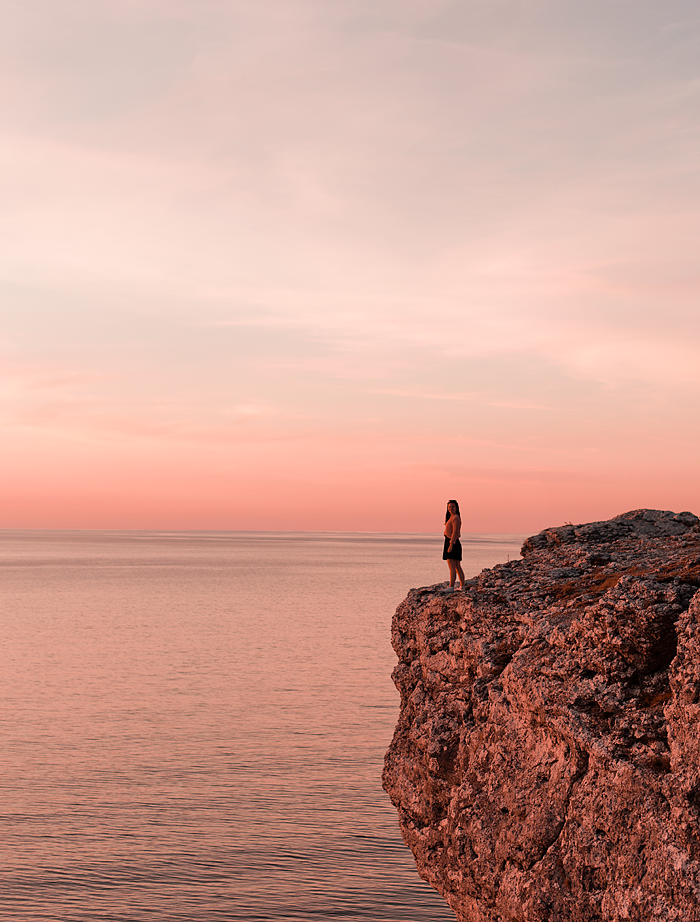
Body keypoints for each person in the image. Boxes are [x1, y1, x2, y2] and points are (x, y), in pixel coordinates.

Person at [443, 499, 465, 590]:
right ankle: (462, 586)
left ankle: (451, 586)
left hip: (452, 542)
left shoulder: (455, 518)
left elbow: (455, 532)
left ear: (456, 508)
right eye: (449, 507)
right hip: (451, 541)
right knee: (456, 566)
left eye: (452, 506)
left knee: (452, 566)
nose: (450, 508)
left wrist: (451, 545)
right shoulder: (451, 517)